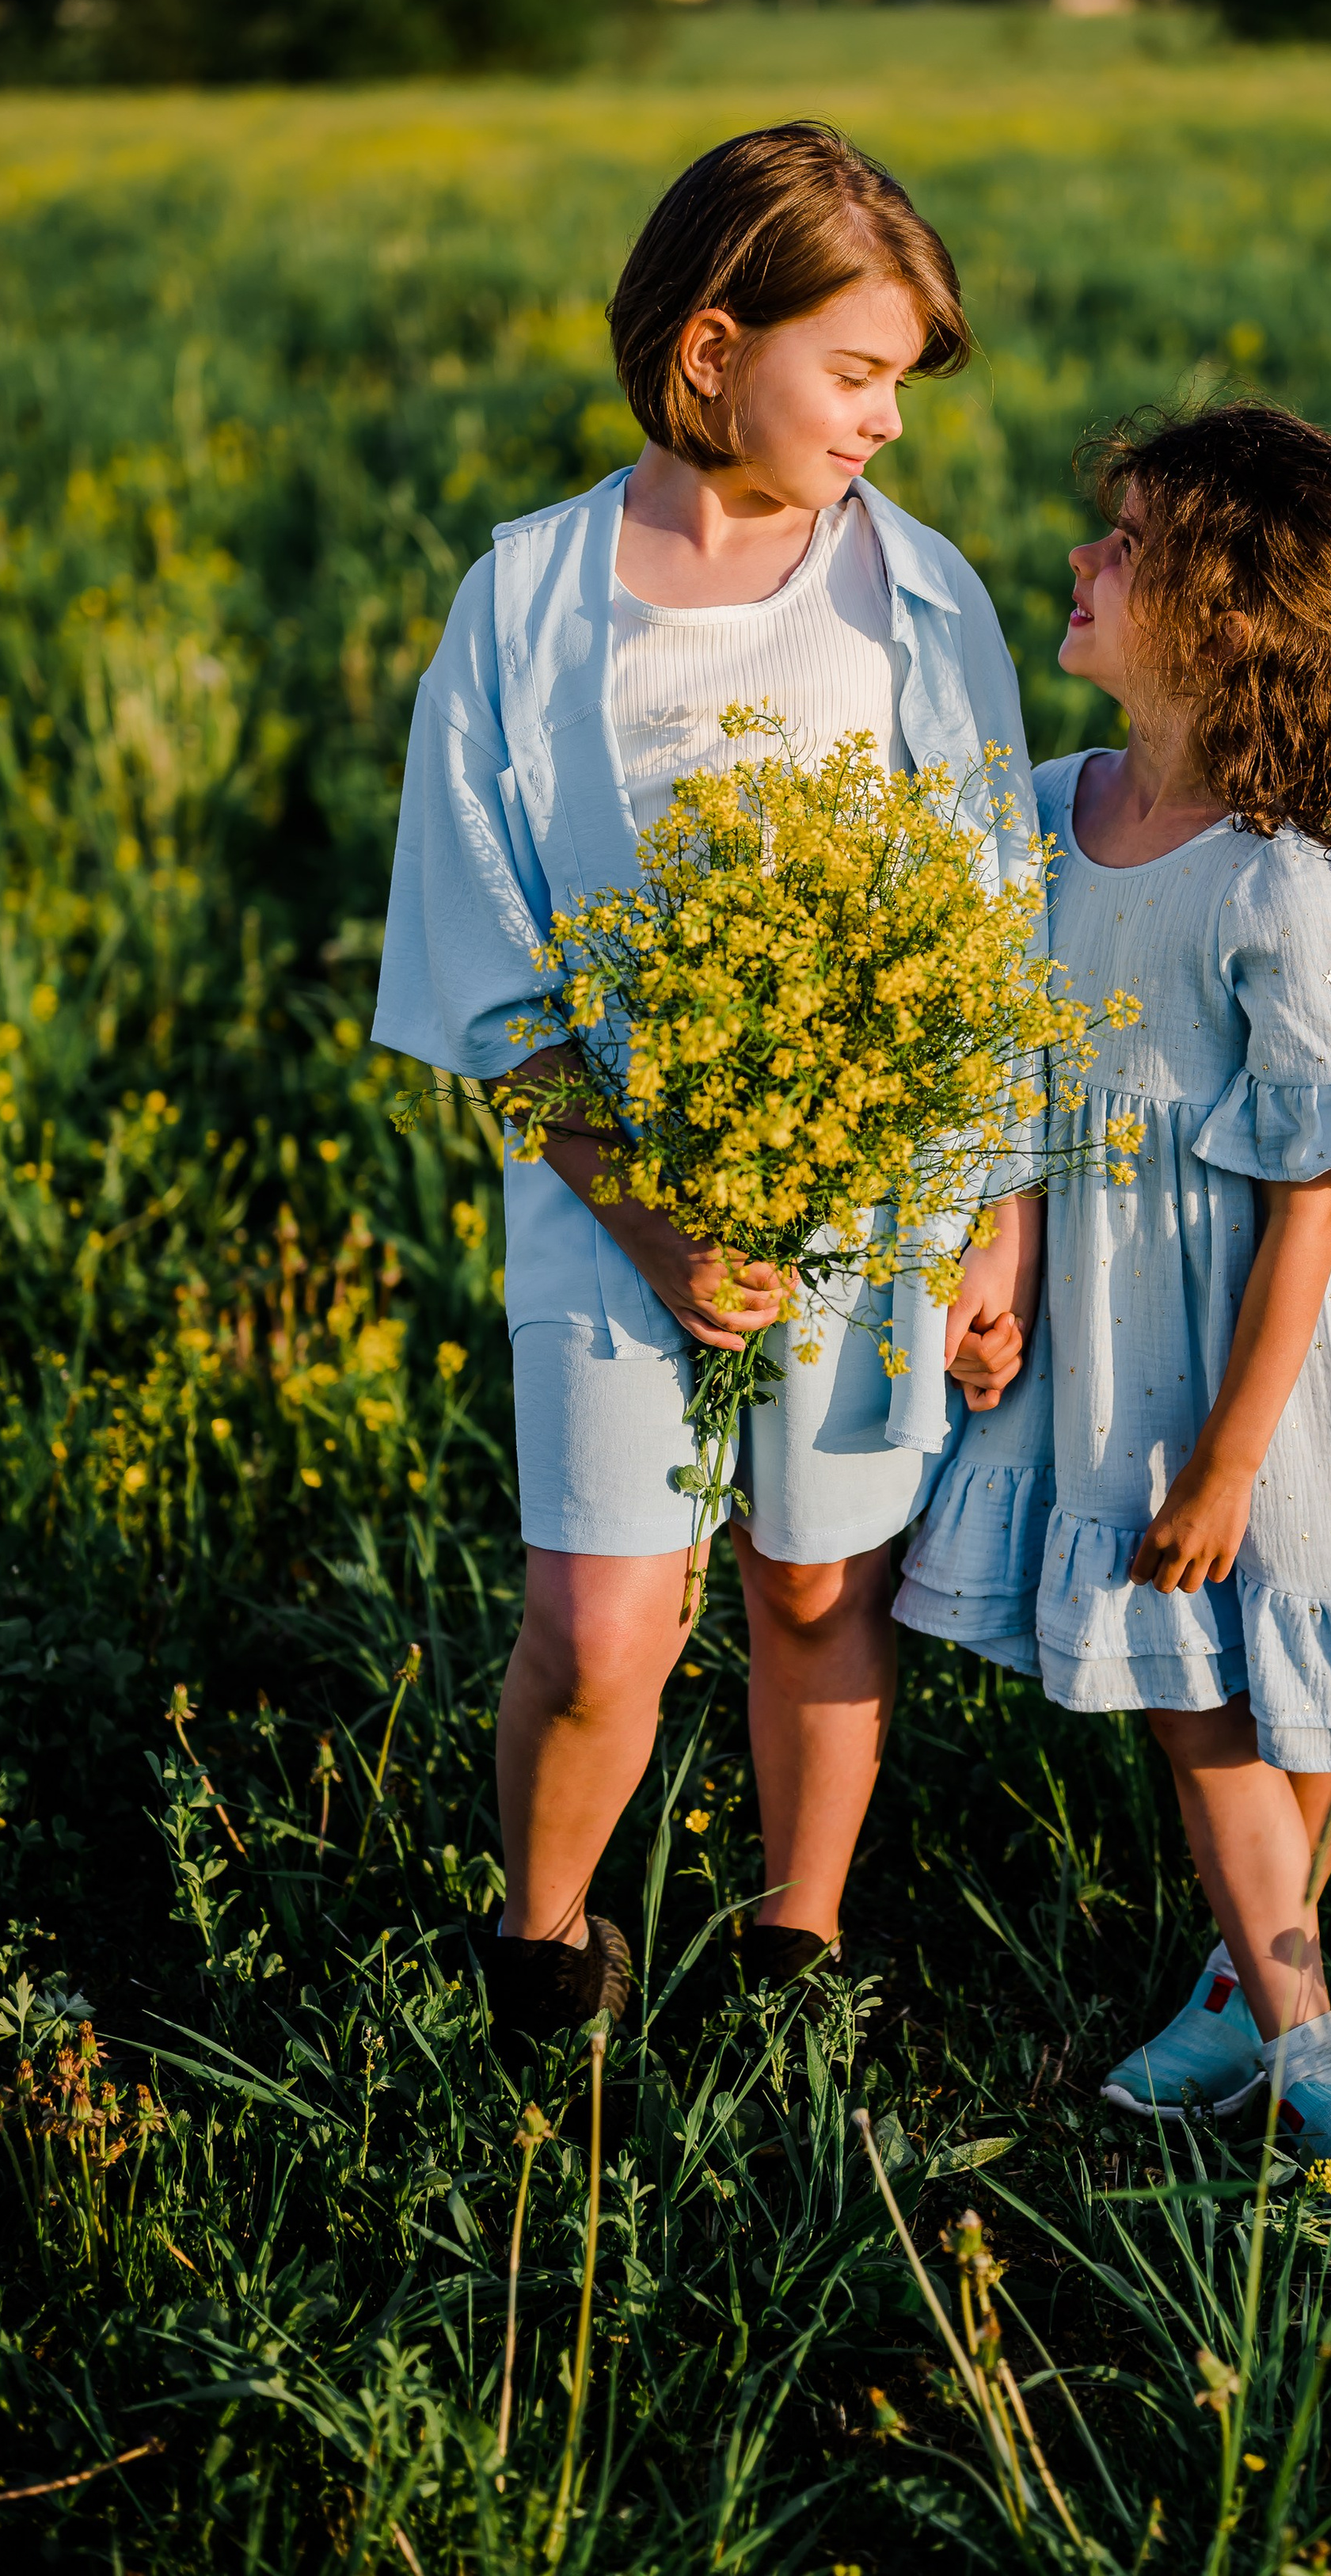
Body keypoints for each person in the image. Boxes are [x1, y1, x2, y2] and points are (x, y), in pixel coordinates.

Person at [373, 123, 1039, 2041]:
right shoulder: (523, 600)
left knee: (816, 1585)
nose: (883, 422)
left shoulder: (914, 597)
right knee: (604, 1628)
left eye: (899, 384)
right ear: (704, 345)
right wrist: (653, 1217)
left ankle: (791, 1951)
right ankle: (543, 1953)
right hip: (611, 1189)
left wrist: (998, 1219)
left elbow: (994, 922)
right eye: (852, 372)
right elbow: (481, 955)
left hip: (870, 1187)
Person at [896, 400, 1331, 2208]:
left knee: (1252, 1685)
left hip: (1274, 1343)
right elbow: (1017, 1075)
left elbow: (1312, 1202)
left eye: (1126, 546)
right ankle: (1243, 2003)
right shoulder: (1044, 818)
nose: (1080, 563)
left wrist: (1236, 1456)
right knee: (1224, 1695)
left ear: (1231, 621)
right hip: (1114, 1322)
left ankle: (1326, 2066)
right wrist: (998, 1252)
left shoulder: (1279, 884)